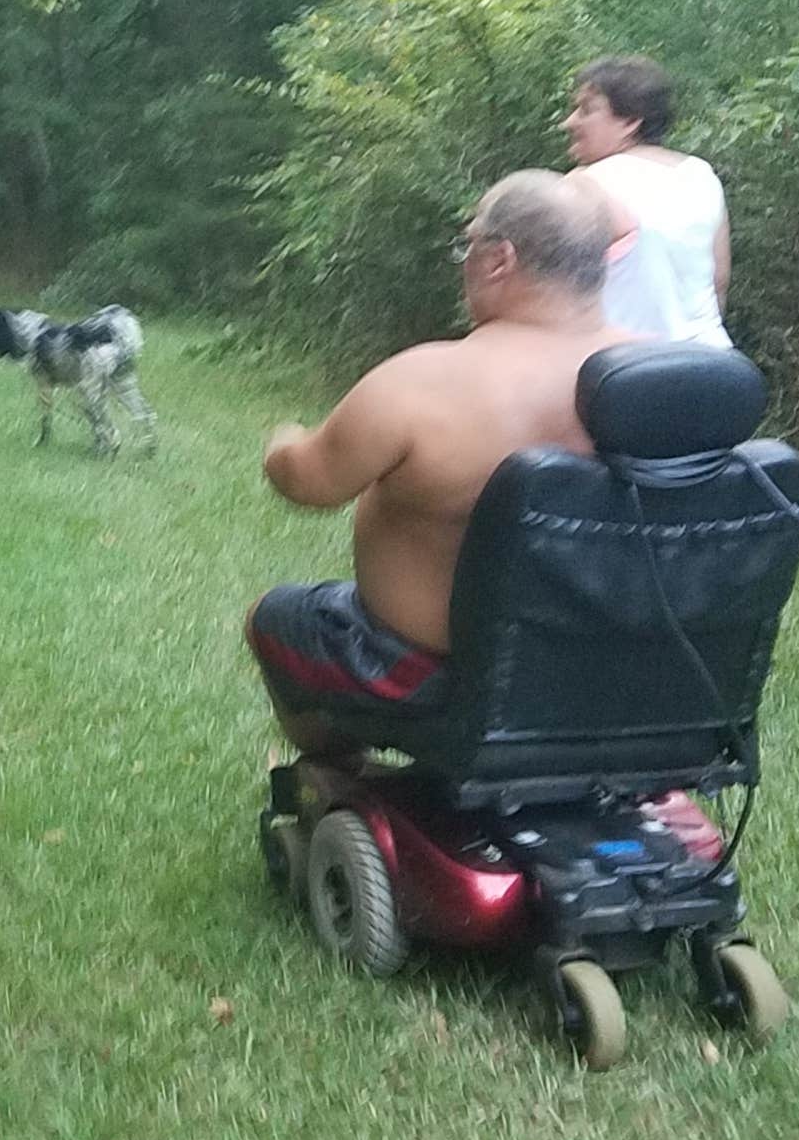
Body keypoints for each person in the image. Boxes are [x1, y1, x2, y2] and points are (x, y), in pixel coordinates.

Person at [246, 171, 634, 752]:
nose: (464, 260)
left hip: (432, 679)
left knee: (273, 617)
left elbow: (309, 483)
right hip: (607, 671)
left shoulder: (424, 382)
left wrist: (282, 443)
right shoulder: (665, 378)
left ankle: (332, 775)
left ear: (499, 258)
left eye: (468, 244)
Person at [563, 54, 731, 347]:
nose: (570, 121)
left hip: (621, 370)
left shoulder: (585, 184)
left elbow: (552, 297)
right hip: (713, 362)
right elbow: (719, 282)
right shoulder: (701, 174)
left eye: (586, 110)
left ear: (630, 121)